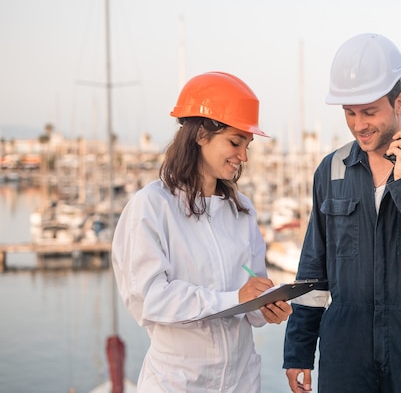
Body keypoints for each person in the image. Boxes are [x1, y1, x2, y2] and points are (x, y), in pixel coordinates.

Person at [282, 33, 401, 392]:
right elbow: (313, 269)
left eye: (370, 112)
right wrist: (298, 349)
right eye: (349, 113)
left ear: (399, 102)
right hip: (346, 356)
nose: (359, 125)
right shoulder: (332, 169)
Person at [111, 71, 292, 393]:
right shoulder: (152, 206)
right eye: (235, 142)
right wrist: (232, 298)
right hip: (176, 384)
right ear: (200, 135)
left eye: (247, 145)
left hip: (241, 382)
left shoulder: (243, 210)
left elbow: (252, 292)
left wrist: (266, 307)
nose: (243, 156)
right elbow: (148, 299)